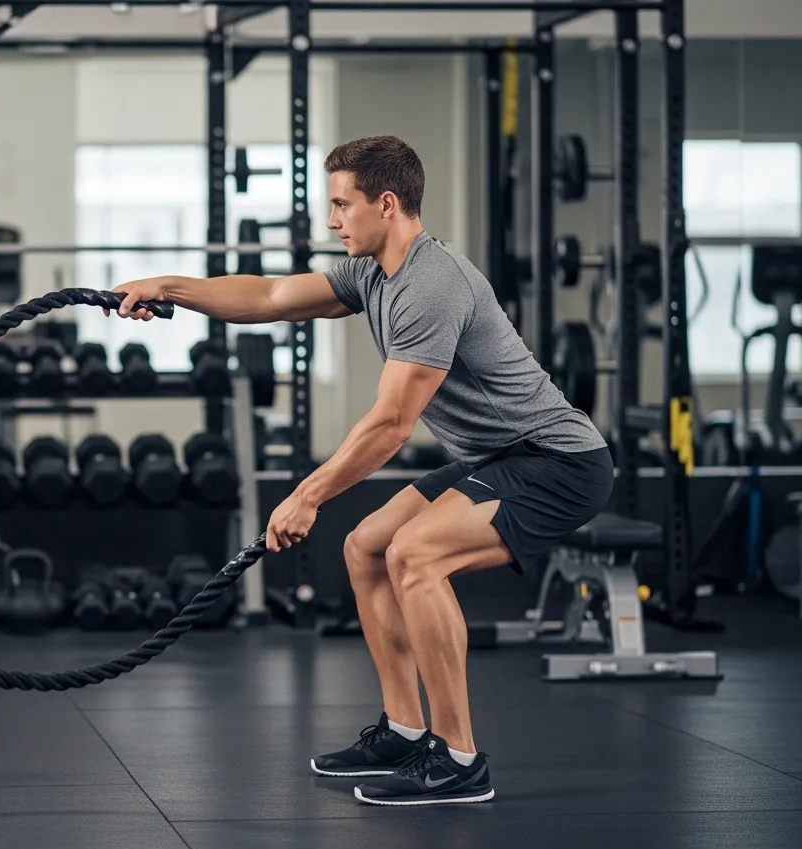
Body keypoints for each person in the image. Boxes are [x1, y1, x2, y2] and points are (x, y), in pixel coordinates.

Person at [109, 135, 613, 807]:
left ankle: (460, 758)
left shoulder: (432, 285)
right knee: (367, 546)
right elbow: (269, 295)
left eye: (342, 205)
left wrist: (305, 496)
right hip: (501, 457)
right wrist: (167, 285)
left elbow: (392, 424)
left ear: (386, 203)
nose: (332, 220)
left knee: (415, 555)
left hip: (560, 462)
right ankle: (405, 731)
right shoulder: (374, 274)